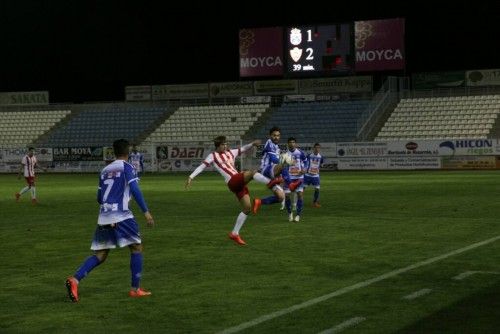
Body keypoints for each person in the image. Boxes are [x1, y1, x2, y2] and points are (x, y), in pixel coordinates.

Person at [65, 139, 155, 302]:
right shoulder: (128, 167)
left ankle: (75, 280)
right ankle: (135, 289)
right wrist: (146, 212)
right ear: (128, 152)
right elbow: (135, 189)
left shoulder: (105, 170)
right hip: (122, 215)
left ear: (114, 152)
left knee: (100, 254)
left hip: (104, 215)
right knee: (136, 247)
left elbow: (99, 197)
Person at [185, 136, 282, 246]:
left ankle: (234, 233)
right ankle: (271, 183)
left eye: (226, 144)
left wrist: (252, 143)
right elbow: (202, 167)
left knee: (247, 208)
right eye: (223, 145)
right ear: (217, 146)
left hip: (238, 183)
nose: (225, 146)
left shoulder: (230, 152)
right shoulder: (212, 156)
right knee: (252, 173)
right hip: (232, 181)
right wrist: (191, 177)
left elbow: (243, 149)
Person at [252, 126, 301, 214]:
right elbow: (274, 159)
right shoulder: (269, 143)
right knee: (285, 159)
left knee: (280, 197)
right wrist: (287, 161)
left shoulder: (276, 147)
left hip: (272, 171)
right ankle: (291, 185)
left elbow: (278, 163)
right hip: (266, 169)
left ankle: (259, 202)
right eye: (274, 135)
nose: (276, 137)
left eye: (278, 135)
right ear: (270, 136)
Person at [283, 137, 307, 222]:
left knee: (300, 194)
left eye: (293, 142)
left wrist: (304, 169)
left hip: (299, 177)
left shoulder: (300, 152)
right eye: (290, 142)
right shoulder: (285, 155)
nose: (292, 143)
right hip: (289, 178)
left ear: (295, 144)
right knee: (287, 196)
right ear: (288, 144)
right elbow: (282, 166)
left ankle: (298, 215)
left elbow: (305, 161)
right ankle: (290, 214)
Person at [304, 143, 324, 208]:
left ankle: (314, 203)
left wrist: (319, 167)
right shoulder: (309, 156)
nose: (317, 149)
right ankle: (298, 201)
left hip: (315, 176)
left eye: (318, 148)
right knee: (301, 189)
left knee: (317, 189)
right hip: (308, 175)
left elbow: (321, 164)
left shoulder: (321, 157)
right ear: (313, 148)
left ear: (320, 149)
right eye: (316, 147)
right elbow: (305, 163)